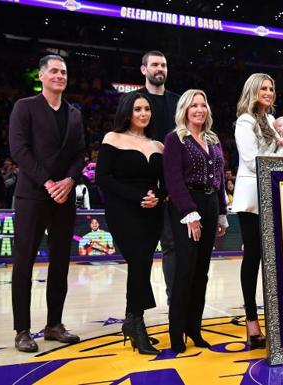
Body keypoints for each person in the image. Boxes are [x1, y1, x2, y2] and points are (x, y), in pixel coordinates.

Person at [9, 54, 85, 352]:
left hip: (64, 197)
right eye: (53, 71)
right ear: (41, 76)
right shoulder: (24, 107)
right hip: (32, 195)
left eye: (63, 72)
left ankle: (54, 324)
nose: (59, 76)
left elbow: (80, 154)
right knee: (24, 263)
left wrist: (70, 180)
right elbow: (19, 149)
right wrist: (48, 182)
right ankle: (22, 330)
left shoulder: (74, 114)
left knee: (60, 264)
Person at [233, 73, 283, 348]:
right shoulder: (245, 121)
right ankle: (251, 321)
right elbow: (252, 162)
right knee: (253, 257)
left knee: (275, 258)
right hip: (251, 198)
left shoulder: (271, 122)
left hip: (273, 195)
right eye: (263, 88)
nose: (268, 92)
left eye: (271, 88)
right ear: (253, 90)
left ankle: (278, 318)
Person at [96, 92, 165, 354]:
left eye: (147, 109)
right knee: (138, 262)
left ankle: (132, 321)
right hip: (123, 210)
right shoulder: (112, 139)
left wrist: (157, 196)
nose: (143, 113)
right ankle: (137, 322)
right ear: (127, 111)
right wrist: (137, 197)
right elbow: (103, 178)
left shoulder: (158, 145)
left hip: (152, 212)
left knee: (143, 265)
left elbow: (166, 181)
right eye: (138, 109)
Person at [163, 89, 228, 353]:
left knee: (202, 273)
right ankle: (176, 333)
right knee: (185, 272)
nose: (199, 109)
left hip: (212, 205)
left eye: (203, 105)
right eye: (194, 106)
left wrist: (222, 212)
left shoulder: (213, 140)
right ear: (185, 110)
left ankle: (194, 328)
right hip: (187, 206)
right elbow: (173, 179)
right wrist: (189, 213)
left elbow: (220, 178)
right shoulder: (175, 139)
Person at [122, 50, 180, 304]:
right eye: (155, 64)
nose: (160, 69)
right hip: (143, 185)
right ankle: (135, 314)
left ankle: (174, 302)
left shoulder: (178, 101)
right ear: (143, 69)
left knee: (172, 246)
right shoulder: (134, 101)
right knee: (140, 251)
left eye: (163, 65)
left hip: (174, 183)